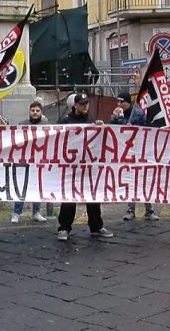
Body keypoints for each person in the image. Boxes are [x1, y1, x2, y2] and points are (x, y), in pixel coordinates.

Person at [56, 93, 113, 241]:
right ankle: (64, 227)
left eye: (86, 103)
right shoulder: (65, 121)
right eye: (82, 104)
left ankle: (96, 226)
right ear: (75, 105)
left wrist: (99, 128)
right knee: (69, 198)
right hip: (71, 167)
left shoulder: (92, 121)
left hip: (88, 167)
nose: (85, 106)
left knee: (93, 197)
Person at [110, 91, 159, 222]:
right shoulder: (117, 114)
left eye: (122, 102)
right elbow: (111, 132)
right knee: (130, 181)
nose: (119, 104)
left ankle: (149, 210)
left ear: (128, 102)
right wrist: (114, 120)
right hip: (126, 154)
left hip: (139, 152)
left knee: (143, 180)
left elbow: (147, 129)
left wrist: (134, 129)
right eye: (118, 101)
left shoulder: (138, 114)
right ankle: (131, 209)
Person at [12, 101, 48, 223]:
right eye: (33, 110)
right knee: (22, 185)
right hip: (24, 159)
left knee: (36, 185)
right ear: (29, 112)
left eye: (37, 110)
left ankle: (36, 212)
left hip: (38, 160)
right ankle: (16, 213)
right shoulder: (22, 124)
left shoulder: (46, 125)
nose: (35, 112)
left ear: (41, 113)